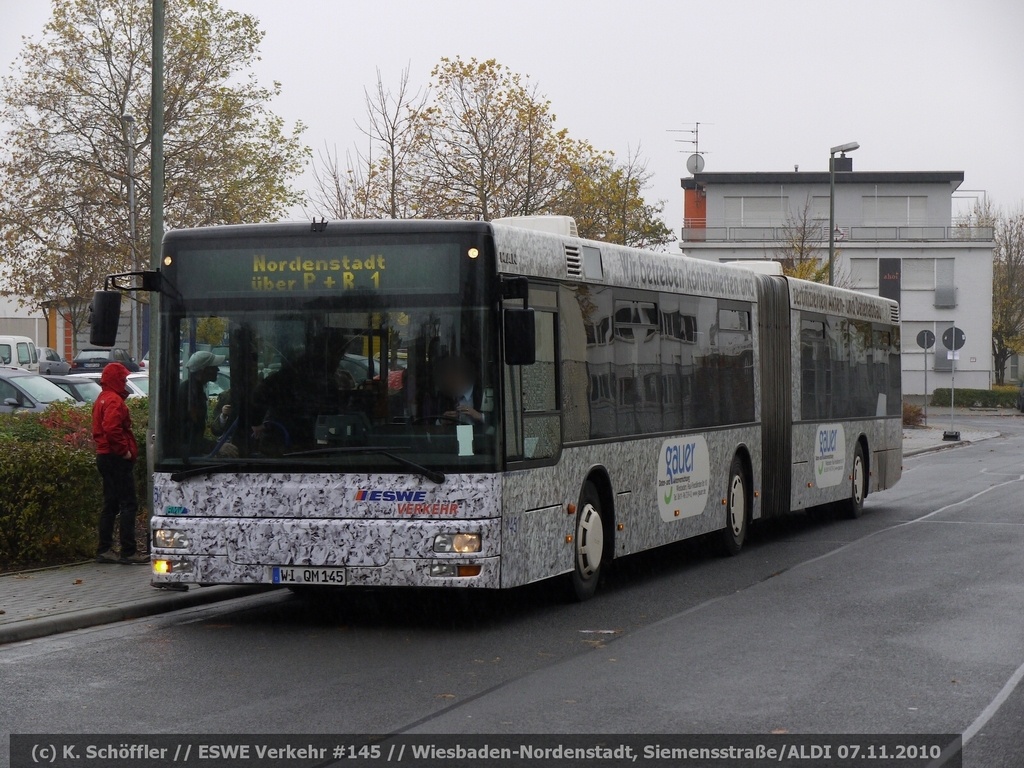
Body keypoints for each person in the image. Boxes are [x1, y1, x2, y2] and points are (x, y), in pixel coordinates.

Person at [92, 362, 146, 564]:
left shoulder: (102, 399)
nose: (125, 382)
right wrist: (124, 451)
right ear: (115, 379)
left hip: (104, 456)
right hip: (115, 457)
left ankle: (104, 549)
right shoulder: (114, 401)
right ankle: (128, 551)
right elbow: (112, 429)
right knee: (128, 503)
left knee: (111, 503)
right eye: (122, 379)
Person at [178, 350, 232, 456]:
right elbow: (188, 437)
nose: (218, 369)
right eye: (213, 366)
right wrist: (217, 446)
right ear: (202, 371)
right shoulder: (188, 394)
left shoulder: (195, 391)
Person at [428, 355, 485, 425]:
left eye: (453, 377)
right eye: (447, 378)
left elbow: (497, 422)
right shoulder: (441, 396)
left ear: (464, 375)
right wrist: (442, 421)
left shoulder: (482, 392)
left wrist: (479, 416)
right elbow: (429, 425)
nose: (449, 382)